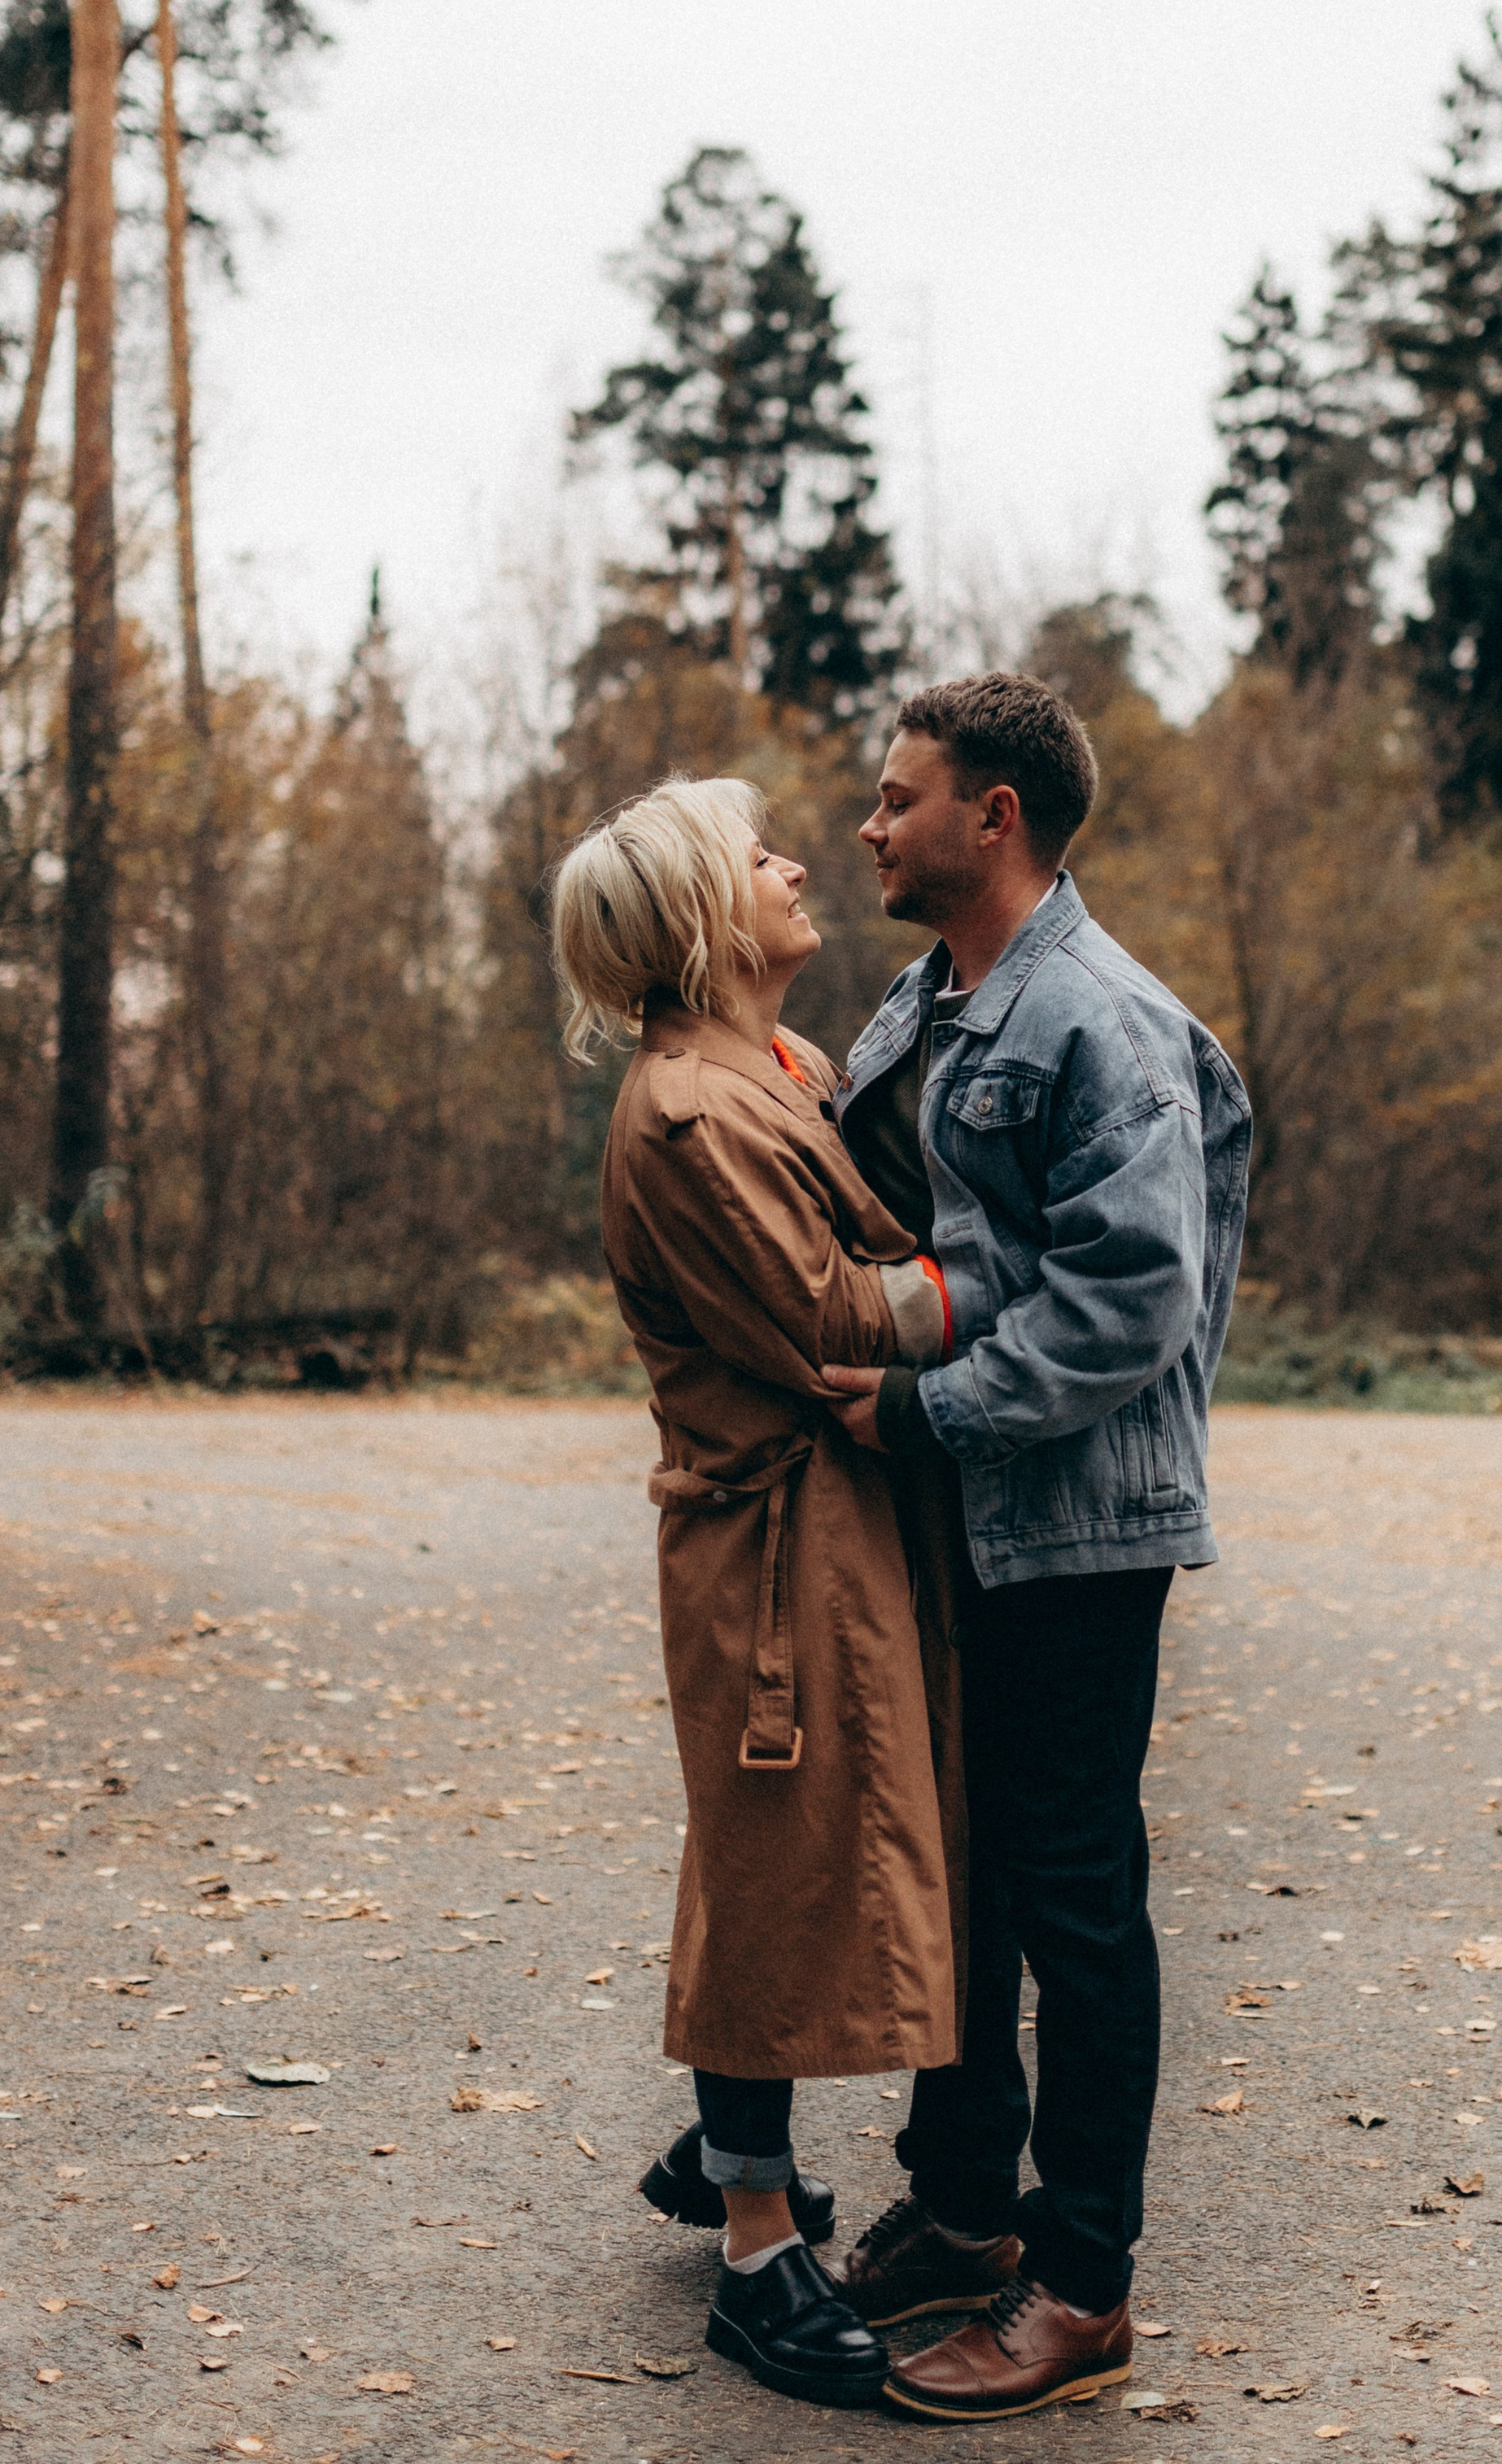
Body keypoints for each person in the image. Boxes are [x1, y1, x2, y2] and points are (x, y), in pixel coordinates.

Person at [819, 672, 1251, 2424]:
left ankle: (1080, 2290)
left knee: (1070, 1898)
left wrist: (931, 1409)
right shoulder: (927, 1002)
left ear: (992, 818)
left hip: (1072, 1525)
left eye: (898, 794)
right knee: (972, 1867)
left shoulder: (1097, 1022)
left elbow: (1129, 1300)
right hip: (968, 1523)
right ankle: (967, 2211)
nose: (869, 820)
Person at [549, 774, 959, 2412]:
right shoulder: (691, 1115)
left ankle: (737, 2148)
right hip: (767, 1544)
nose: (796, 863)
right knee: (776, 1847)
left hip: (833, 1522)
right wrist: (990, 1284)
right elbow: (823, 1321)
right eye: (756, 854)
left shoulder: (778, 1067)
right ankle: (750, 2250)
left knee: (778, 1851)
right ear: (699, 921)